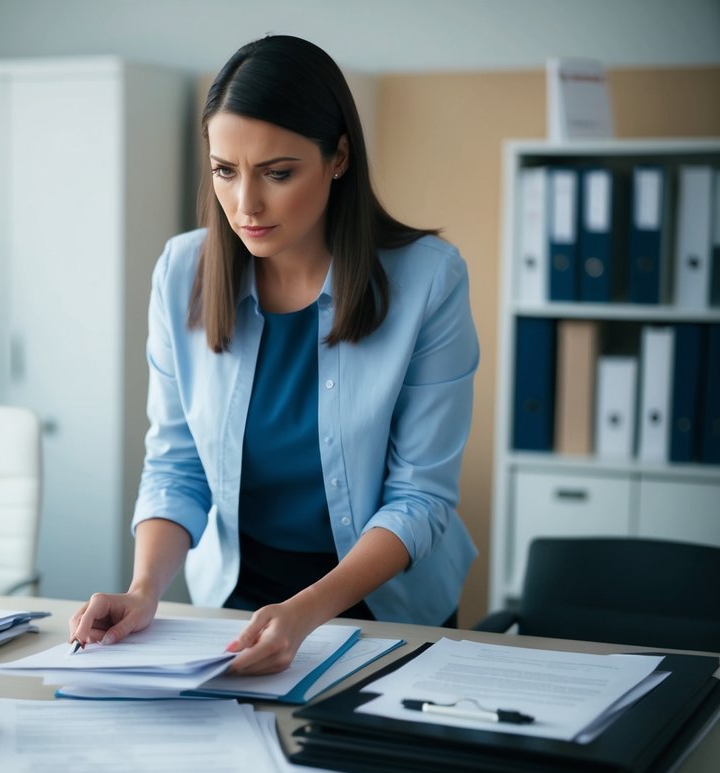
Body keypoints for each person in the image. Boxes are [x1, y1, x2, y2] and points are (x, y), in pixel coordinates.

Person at [70, 34, 479, 675]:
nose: (244, 205)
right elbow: (177, 467)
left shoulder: (428, 280)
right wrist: (145, 589)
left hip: (384, 609)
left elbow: (420, 497)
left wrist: (309, 610)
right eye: (224, 170)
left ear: (338, 157)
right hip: (237, 606)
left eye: (277, 173)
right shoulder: (183, 272)